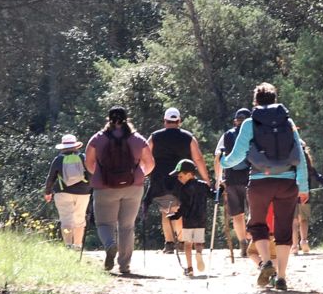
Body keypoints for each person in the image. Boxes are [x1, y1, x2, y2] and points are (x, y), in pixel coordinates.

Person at [221, 83, 308, 291]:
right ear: (275, 99)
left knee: (258, 224)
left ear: (256, 102)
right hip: (287, 182)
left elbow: (238, 155)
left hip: (260, 182)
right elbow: (300, 155)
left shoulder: (250, 123)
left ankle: (267, 262)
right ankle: (282, 277)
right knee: (284, 228)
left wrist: (223, 162)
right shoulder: (287, 121)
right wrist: (302, 185)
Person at [84, 106, 154, 275]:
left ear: (108, 119)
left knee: (104, 224)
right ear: (126, 119)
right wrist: (138, 175)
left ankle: (109, 245)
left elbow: (88, 163)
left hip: (105, 187)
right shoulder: (137, 139)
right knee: (127, 226)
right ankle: (124, 265)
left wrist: (102, 175)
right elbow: (150, 163)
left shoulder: (97, 139)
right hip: (133, 187)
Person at [147, 107, 211, 254]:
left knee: (166, 210)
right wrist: (206, 178)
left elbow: (145, 155)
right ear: (179, 121)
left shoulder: (154, 137)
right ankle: (181, 241)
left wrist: (143, 173)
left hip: (160, 178)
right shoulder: (188, 137)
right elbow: (198, 158)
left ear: (165, 121)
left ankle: (169, 243)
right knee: (181, 209)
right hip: (182, 178)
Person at [214, 108, 252, 257]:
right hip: (250, 177)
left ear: (235, 121)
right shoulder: (252, 133)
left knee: (237, 215)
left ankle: (243, 243)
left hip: (231, 179)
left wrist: (218, 179)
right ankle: (253, 240)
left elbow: (218, 157)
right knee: (253, 211)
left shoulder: (227, 135)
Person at [43, 134, 92, 251]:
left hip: (63, 193)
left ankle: (68, 246)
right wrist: (89, 188)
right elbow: (91, 174)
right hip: (83, 193)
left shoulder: (58, 160)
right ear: (75, 146)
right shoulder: (83, 158)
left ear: (63, 147)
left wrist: (48, 192)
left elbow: (51, 177)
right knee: (80, 219)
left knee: (66, 219)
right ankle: (78, 245)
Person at [167, 159, 211, 277]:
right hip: (201, 219)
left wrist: (175, 215)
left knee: (187, 244)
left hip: (188, 220)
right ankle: (199, 253)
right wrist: (221, 189)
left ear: (189, 174)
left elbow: (184, 207)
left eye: (180, 176)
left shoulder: (184, 189)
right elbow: (213, 195)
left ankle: (190, 268)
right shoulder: (203, 185)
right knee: (199, 242)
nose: (178, 178)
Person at [291, 139, 323, 255]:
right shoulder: (307, 165)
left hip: (291, 194)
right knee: (304, 219)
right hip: (305, 195)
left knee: (294, 221)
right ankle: (304, 241)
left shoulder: (291, 163)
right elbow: (317, 177)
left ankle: (294, 246)